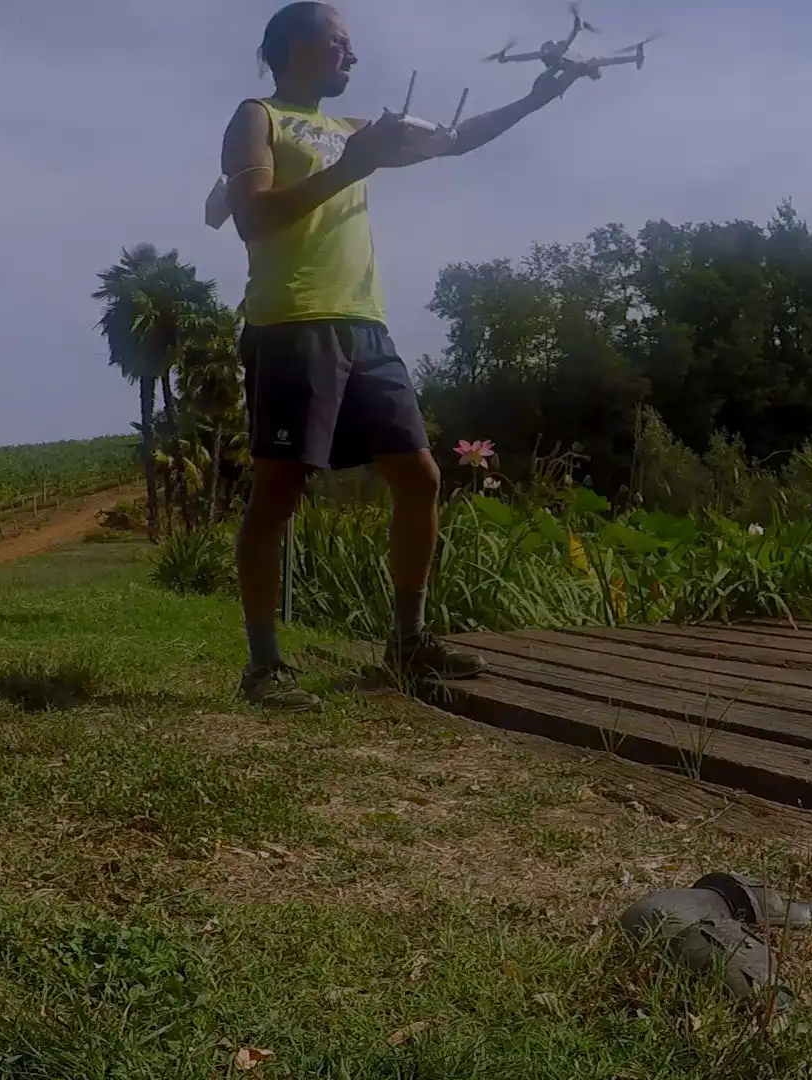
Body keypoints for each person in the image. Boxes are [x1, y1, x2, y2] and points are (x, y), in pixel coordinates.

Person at [219, 2, 586, 710]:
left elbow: (455, 139)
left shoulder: (352, 130)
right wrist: (351, 167)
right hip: (292, 325)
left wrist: (543, 94)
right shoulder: (256, 116)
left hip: (367, 326)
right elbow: (251, 217)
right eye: (340, 43)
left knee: (419, 477)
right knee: (277, 497)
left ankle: (406, 643)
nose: (353, 57)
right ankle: (263, 668)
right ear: (298, 46)